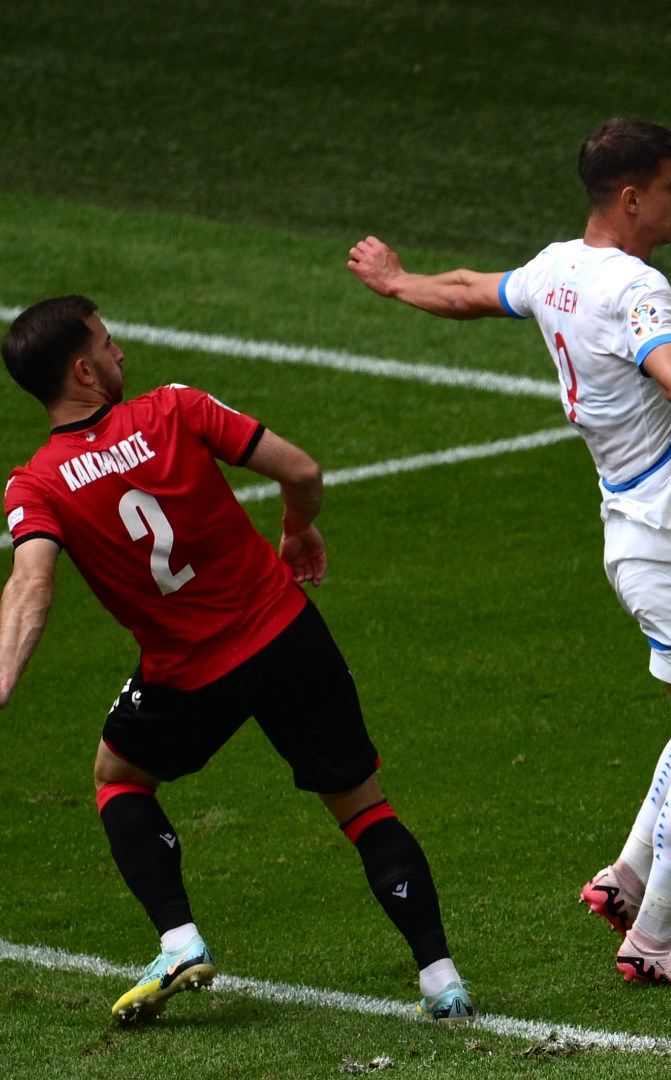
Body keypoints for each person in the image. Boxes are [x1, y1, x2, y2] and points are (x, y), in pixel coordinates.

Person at [347, 117, 671, 987]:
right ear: (632, 198)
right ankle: (658, 939)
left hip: (643, 535)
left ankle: (626, 881)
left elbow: (477, 289)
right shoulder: (635, 290)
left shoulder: (560, 268)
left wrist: (400, 282)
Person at [0, 296, 471, 1025]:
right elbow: (302, 469)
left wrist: (3, 681)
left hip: (187, 675)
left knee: (119, 777)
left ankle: (180, 938)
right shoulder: (176, 408)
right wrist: (297, 528)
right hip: (286, 634)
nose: (122, 355)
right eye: (109, 344)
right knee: (362, 804)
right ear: (83, 370)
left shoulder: (34, 485)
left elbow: (31, 583)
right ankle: (442, 980)